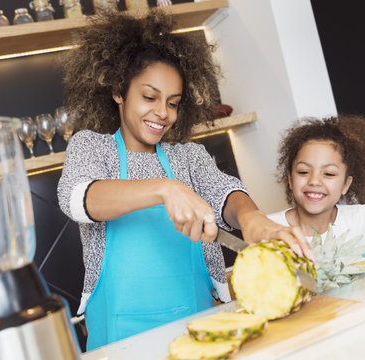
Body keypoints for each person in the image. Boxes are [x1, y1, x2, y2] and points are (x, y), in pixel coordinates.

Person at [57, 10, 313, 350]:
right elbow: (79, 198)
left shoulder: (188, 157)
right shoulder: (92, 147)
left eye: (173, 103)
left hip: (202, 326)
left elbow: (226, 193)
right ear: (119, 91)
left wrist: (253, 220)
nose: (163, 113)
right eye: (149, 97)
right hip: (122, 338)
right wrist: (165, 189)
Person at [267, 115, 365, 248]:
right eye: (303, 172)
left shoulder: (361, 218)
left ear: (345, 185)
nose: (314, 181)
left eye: (328, 173)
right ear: (290, 180)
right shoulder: (268, 229)